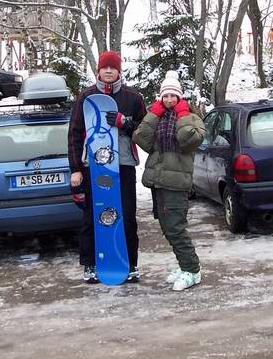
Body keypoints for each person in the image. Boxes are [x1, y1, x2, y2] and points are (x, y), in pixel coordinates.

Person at [68, 51, 147, 284]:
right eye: (105, 67)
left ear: (119, 71)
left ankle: (130, 263)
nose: (109, 71)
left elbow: (145, 131)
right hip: (93, 167)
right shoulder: (86, 97)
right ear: (98, 70)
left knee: (127, 216)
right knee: (92, 215)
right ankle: (91, 264)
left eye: (113, 67)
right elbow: (74, 133)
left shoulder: (132, 97)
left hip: (122, 165)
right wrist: (75, 168)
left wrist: (126, 123)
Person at [132, 71, 206, 291]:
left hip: (177, 182)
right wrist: (154, 114)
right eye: (165, 96)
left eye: (174, 96)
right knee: (167, 228)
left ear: (180, 97)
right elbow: (141, 138)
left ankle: (192, 270)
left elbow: (188, 140)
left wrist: (183, 115)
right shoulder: (160, 118)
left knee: (176, 228)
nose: (169, 100)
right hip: (159, 182)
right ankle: (184, 266)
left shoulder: (192, 118)